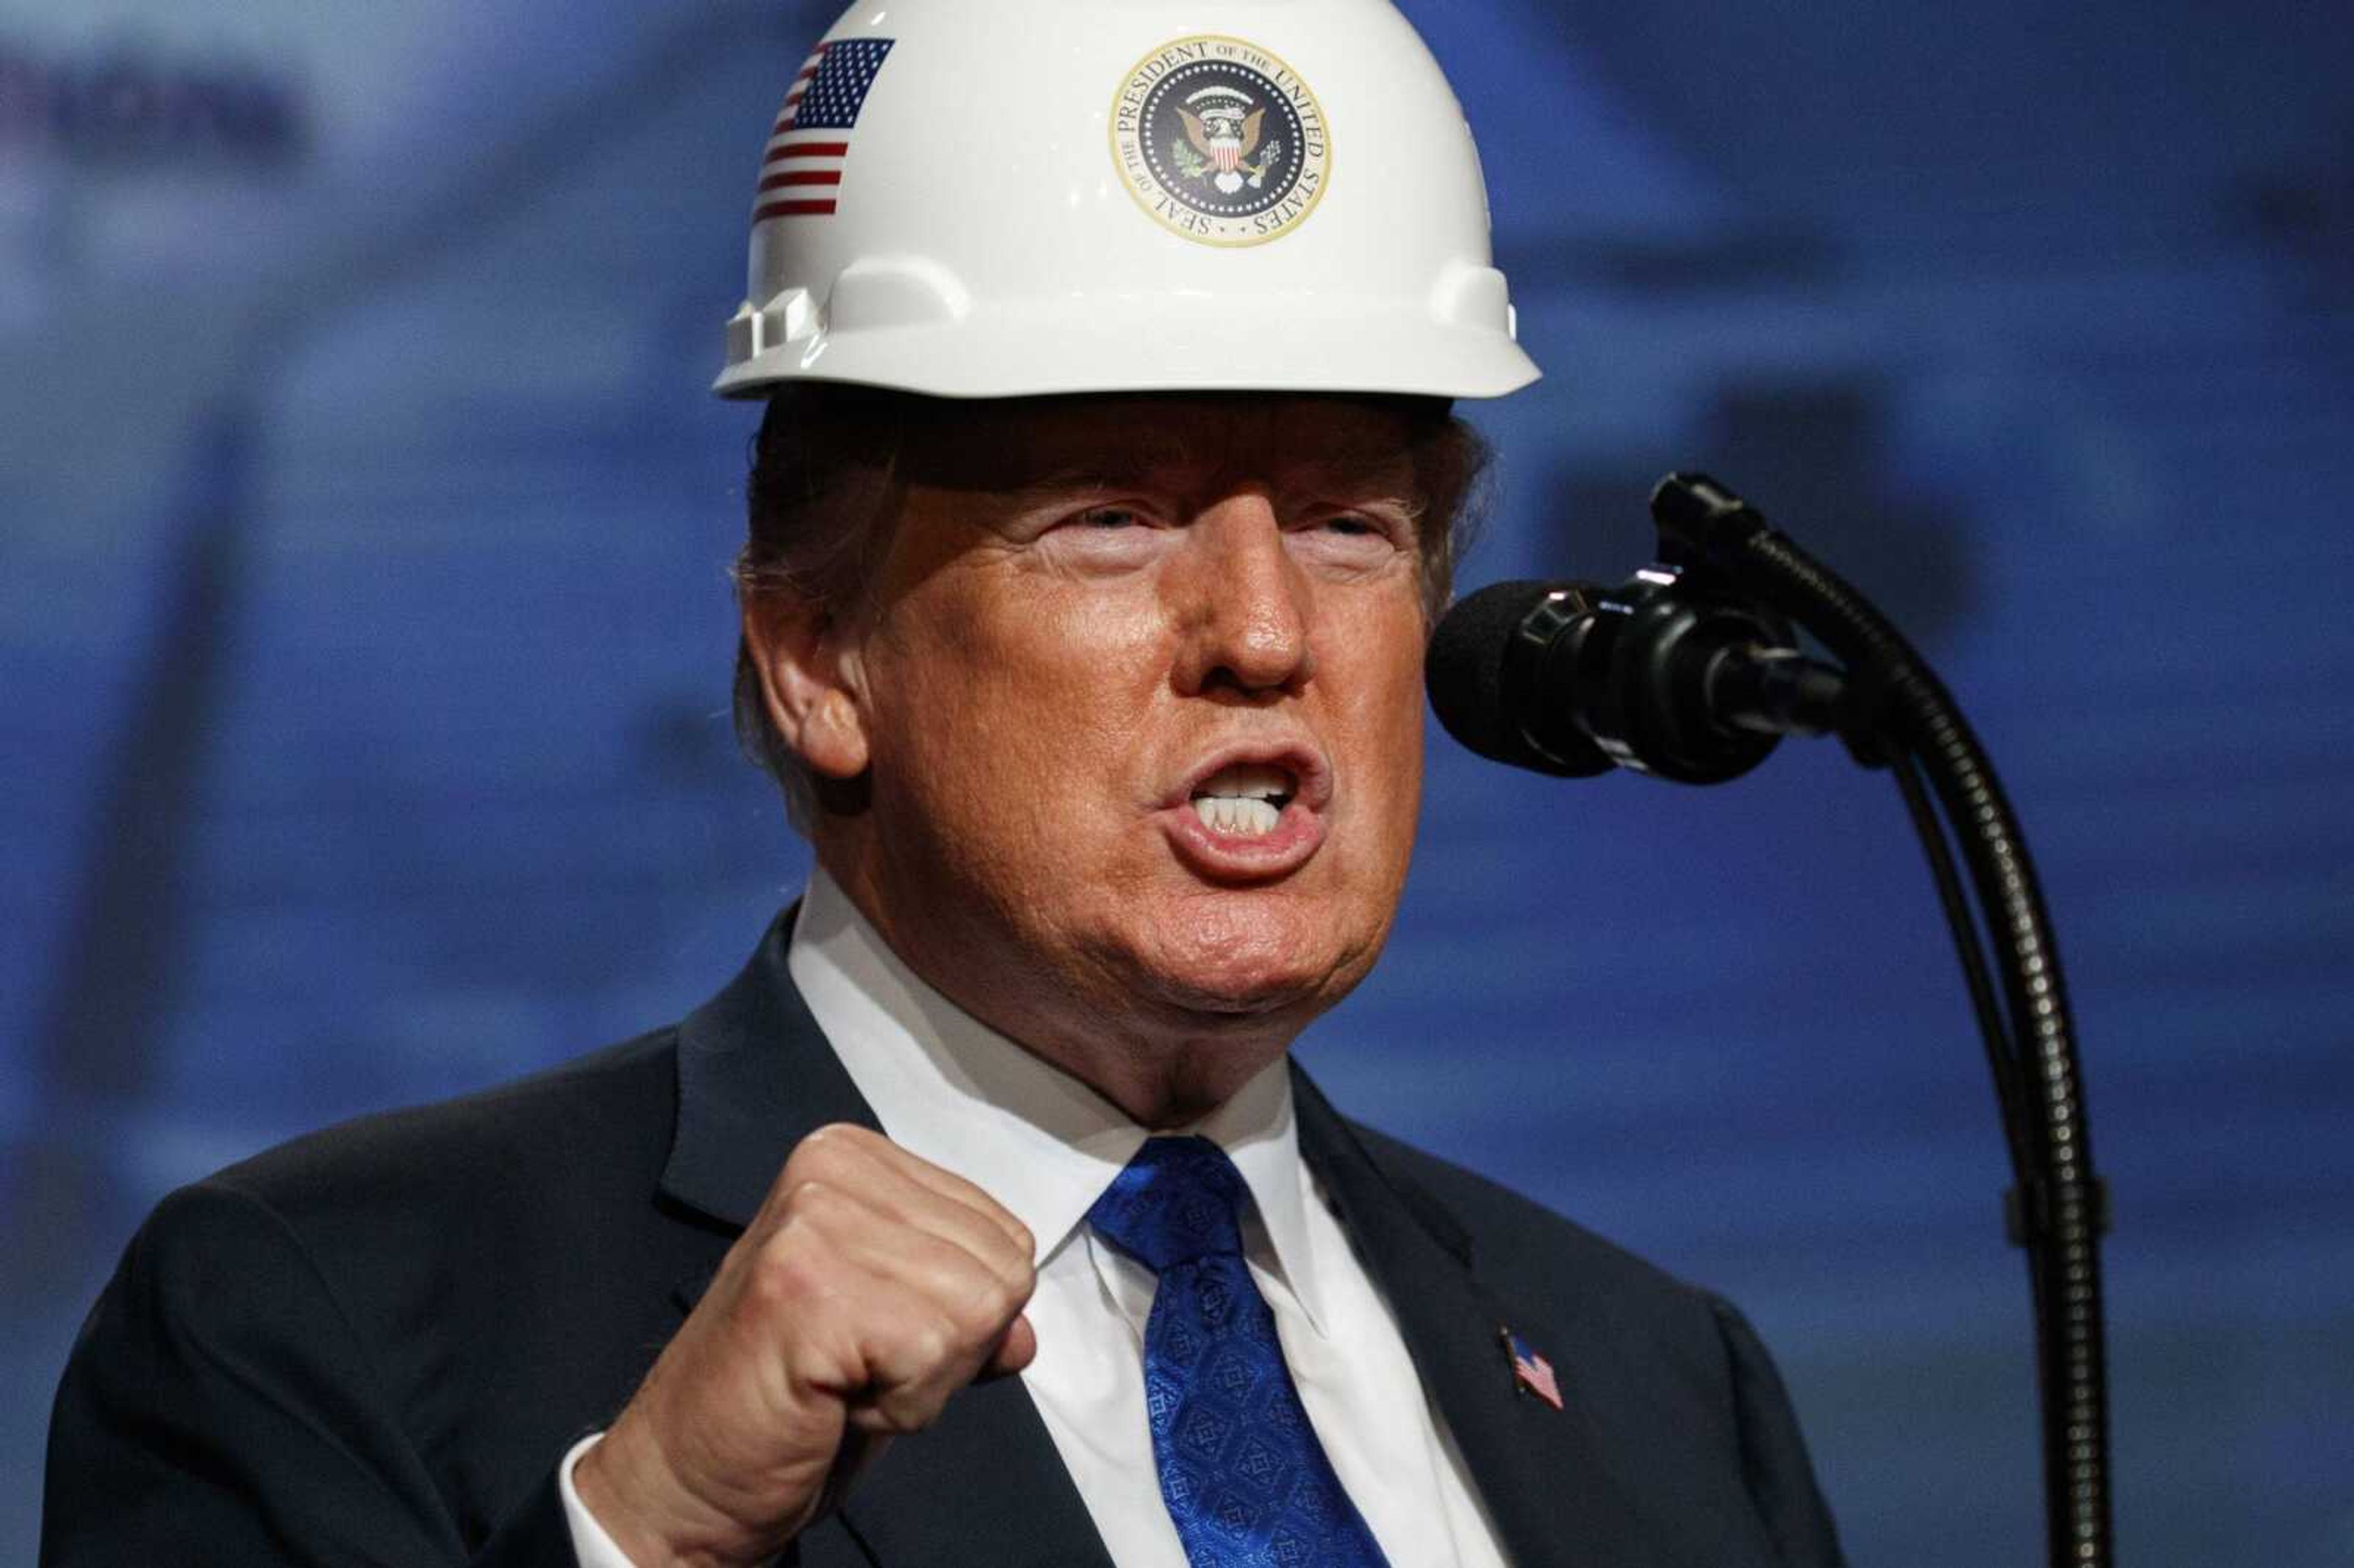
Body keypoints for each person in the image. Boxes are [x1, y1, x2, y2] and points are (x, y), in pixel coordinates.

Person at [44, 3, 1846, 1564]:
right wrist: (650, 1539)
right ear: (820, 660)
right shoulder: (322, 1317)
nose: (1263, 630)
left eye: (1345, 524)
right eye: (1113, 520)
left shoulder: (1663, 1388)